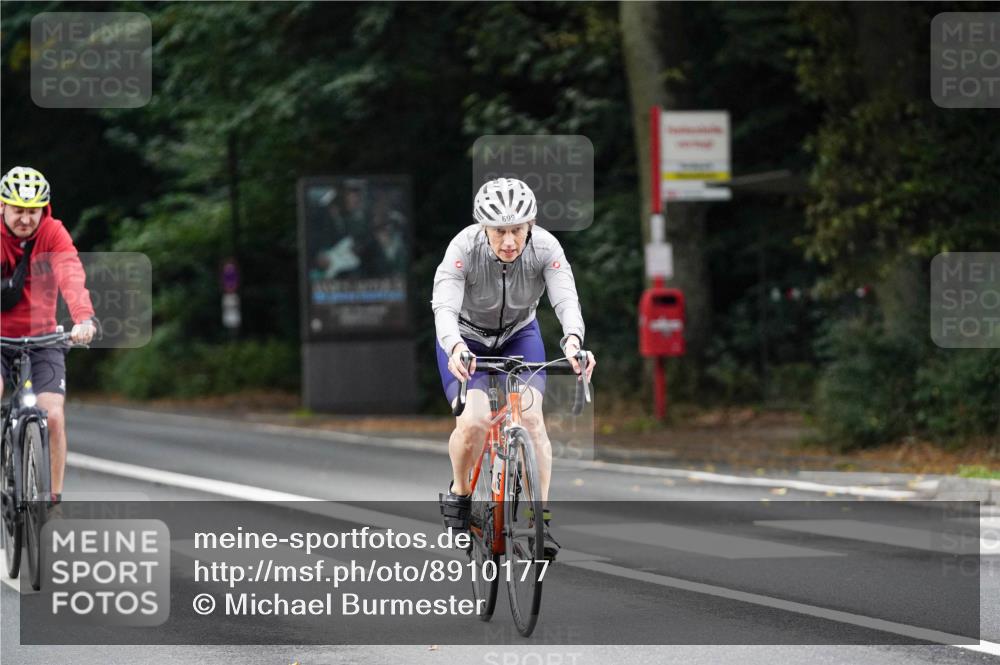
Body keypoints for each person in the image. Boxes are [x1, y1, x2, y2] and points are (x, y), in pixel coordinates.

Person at [431, 177, 596, 560]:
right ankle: (459, 494)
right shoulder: (463, 248)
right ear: (483, 228)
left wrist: (573, 340)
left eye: (517, 231)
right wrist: (455, 346)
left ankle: (541, 521)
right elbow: (444, 307)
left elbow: (566, 298)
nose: (509, 241)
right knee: (474, 422)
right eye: (499, 231)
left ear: (530, 225)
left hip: (520, 336)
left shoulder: (545, 247)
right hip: (466, 339)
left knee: (533, 420)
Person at [0, 166, 97, 506]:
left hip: (43, 340)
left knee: (52, 416)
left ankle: (52, 502)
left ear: (44, 209)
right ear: (2, 207)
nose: (26, 219)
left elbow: (70, 270)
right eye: (18, 210)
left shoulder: (53, 233)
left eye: (33, 211)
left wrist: (83, 317)